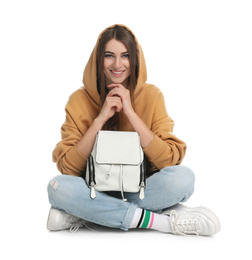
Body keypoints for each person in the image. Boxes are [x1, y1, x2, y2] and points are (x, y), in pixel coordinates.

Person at [47, 24, 221, 236]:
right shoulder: (79, 100)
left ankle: (87, 213)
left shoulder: (152, 95)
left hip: (139, 190)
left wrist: (131, 113)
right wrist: (100, 119)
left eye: (126, 56)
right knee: (58, 187)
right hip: (92, 188)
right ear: (98, 60)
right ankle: (160, 221)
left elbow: (168, 161)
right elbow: (68, 169)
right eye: (109, 56)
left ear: (135, 59)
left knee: (183, 178)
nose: (117, 64)